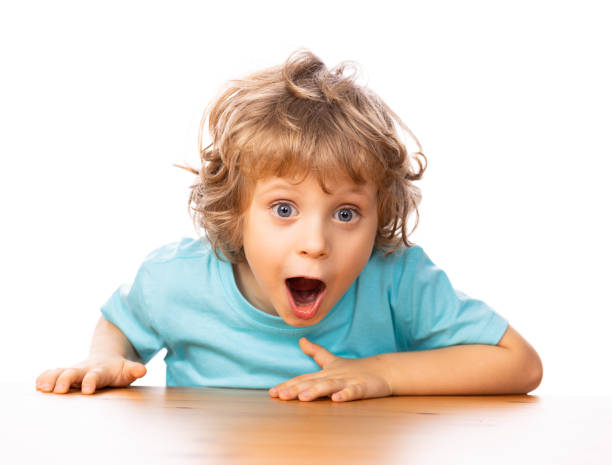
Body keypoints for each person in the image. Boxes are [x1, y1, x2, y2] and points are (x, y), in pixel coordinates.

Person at [36, 50, 543, 402]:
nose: (316, 244)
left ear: (379, 218)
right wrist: (105, 358)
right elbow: (121, 324)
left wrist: (380, 374)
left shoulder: (396, 280)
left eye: (346, 214)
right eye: (284, 209)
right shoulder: (178, 279)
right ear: (234, 212)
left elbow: (519, 363)